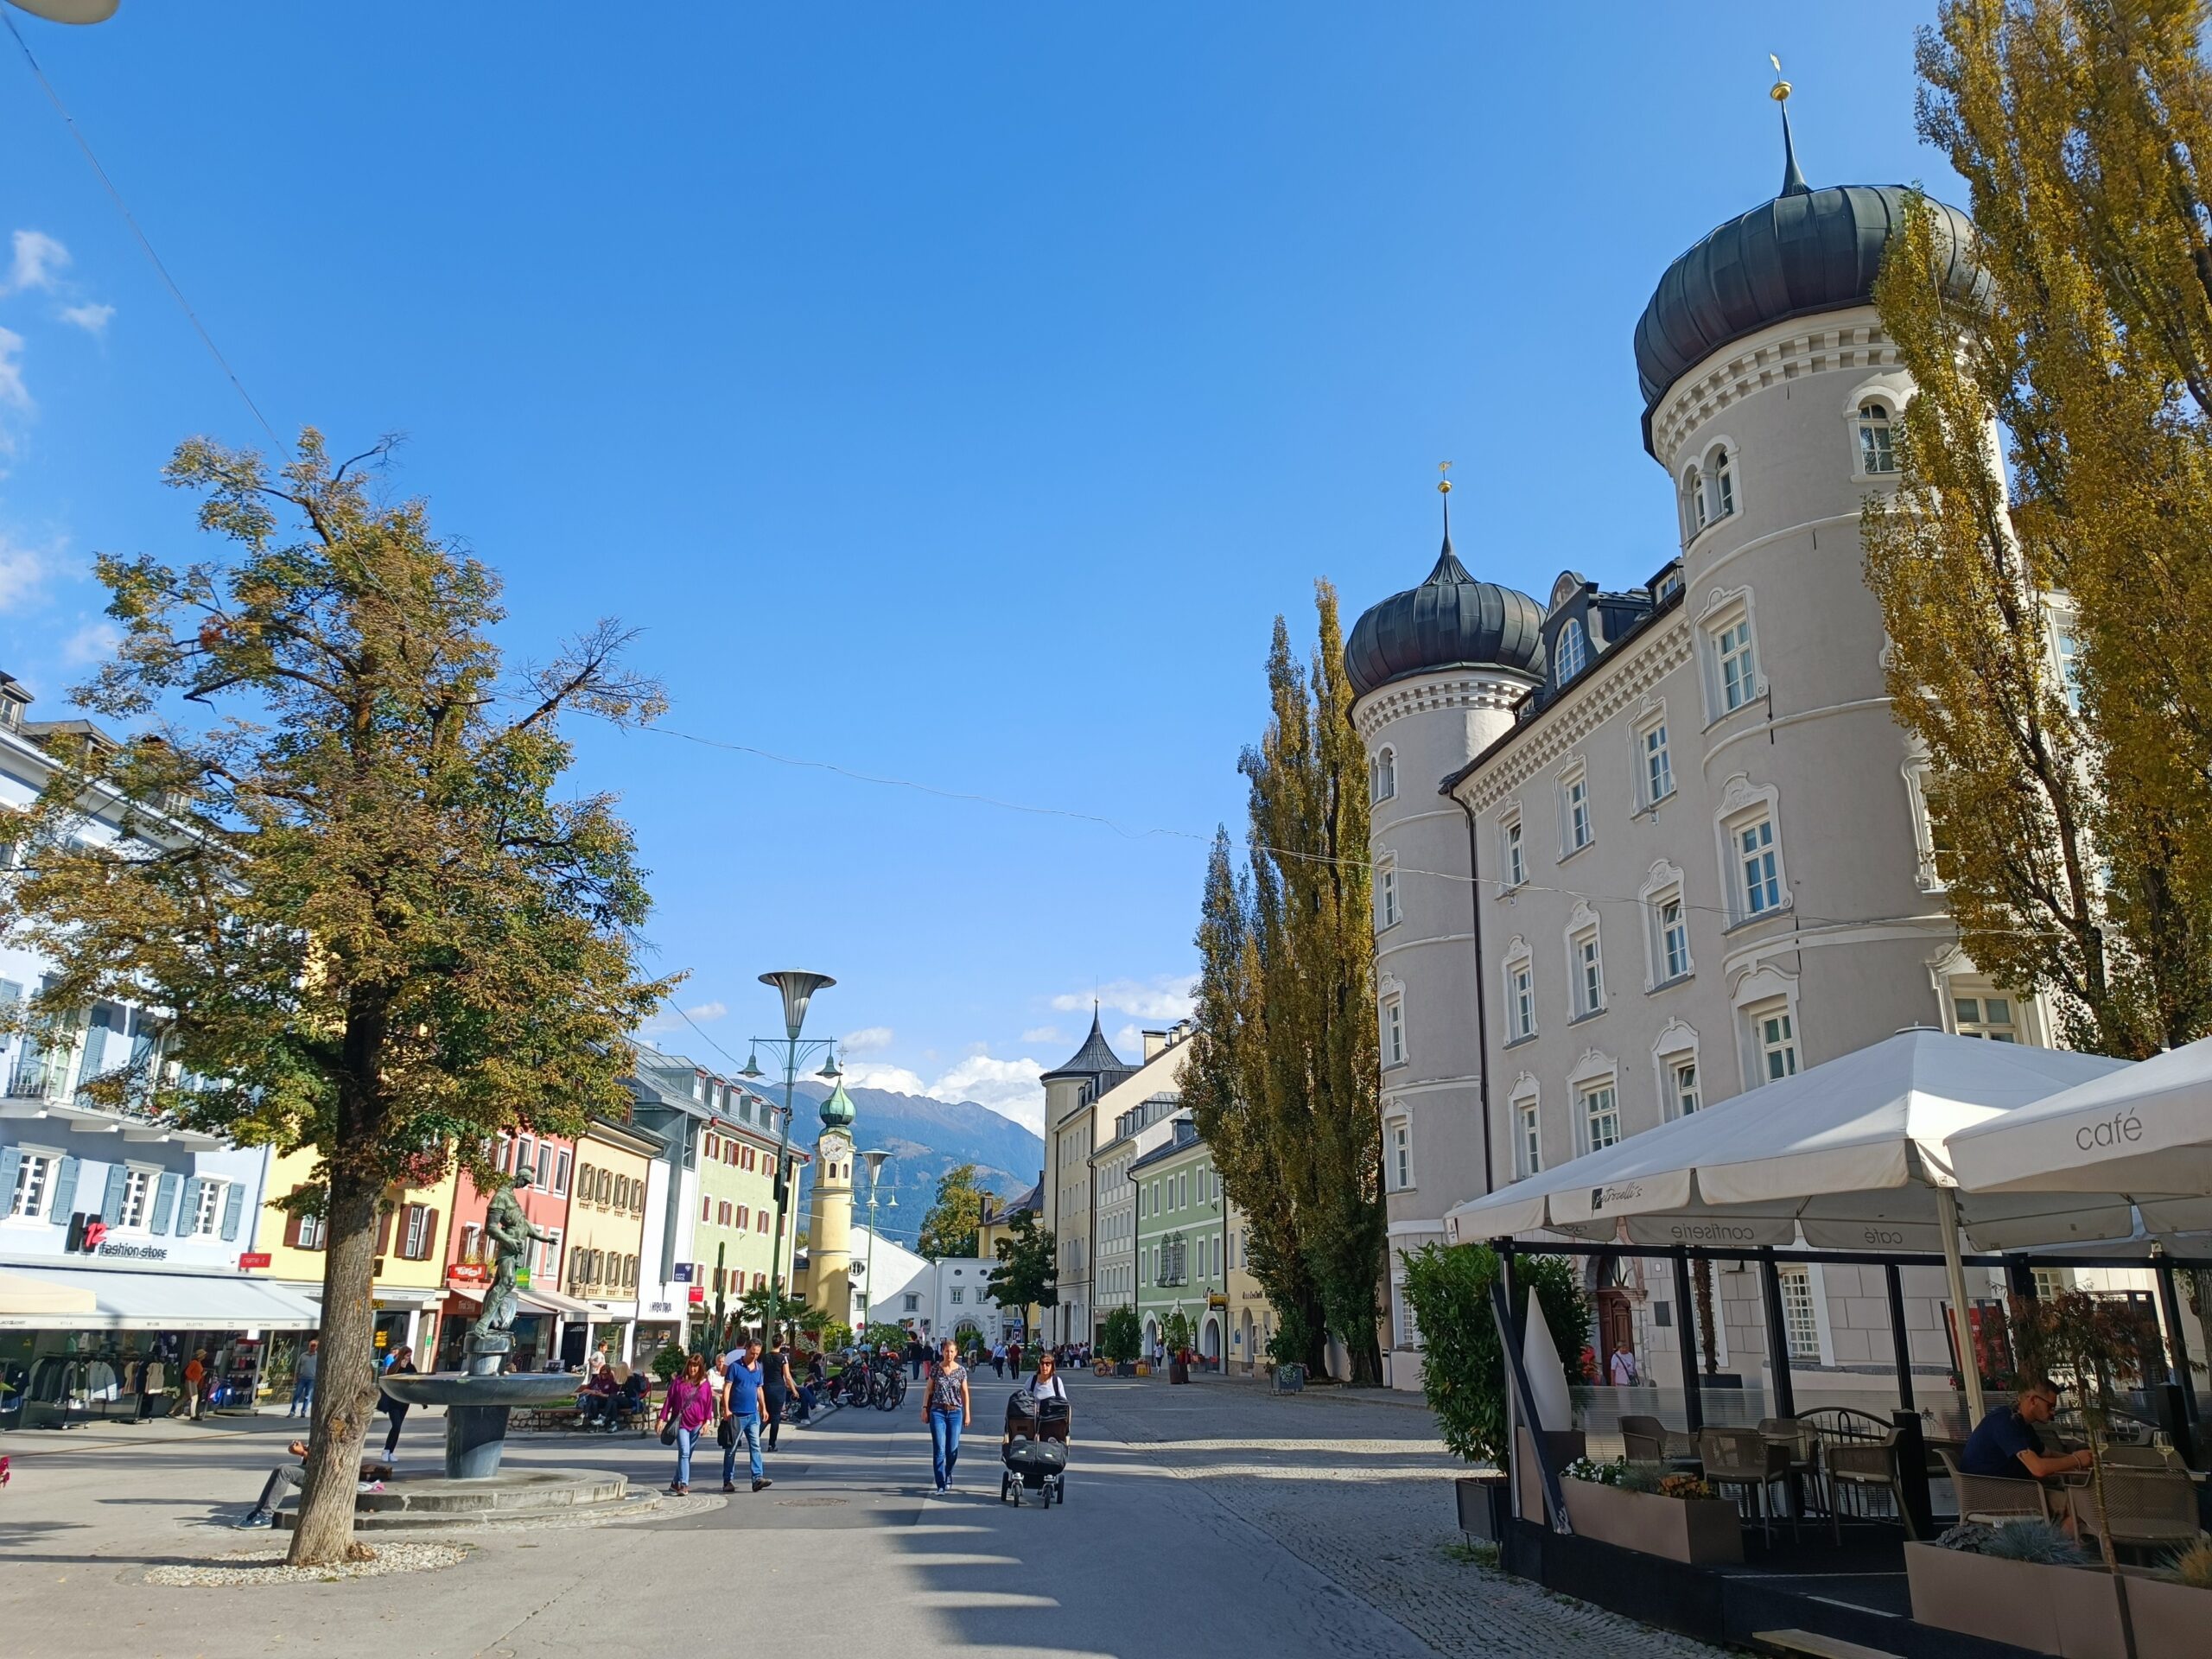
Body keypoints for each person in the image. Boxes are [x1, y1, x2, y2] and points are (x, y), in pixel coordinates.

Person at [1959, 1378, 2094, 1484]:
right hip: (1991, 1494)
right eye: (2050, 1406)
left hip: (2013, 1487)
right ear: (2034, 1400)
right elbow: (2039, 1468)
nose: (2053, 1413)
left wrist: (2085, 1461)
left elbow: (2048, 1455)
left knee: (2075, 1488)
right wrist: (2076, 1460)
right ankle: (2062, 1520)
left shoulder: (2022, 1424)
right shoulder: (2005, 1422)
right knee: (2079, 1505)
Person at [236, 1438, 393, 1529]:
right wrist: (303, 1450)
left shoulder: (340, 1432)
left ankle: (265, 1516)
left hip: (328, 1479)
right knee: (281, 1468)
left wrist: (303, 1453)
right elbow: (317, 1454)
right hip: (317, 1473)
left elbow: (332, 1462)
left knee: (285, 1471)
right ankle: (259, 1512)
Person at [659, 1353, 716, 1497]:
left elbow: (708, 1405)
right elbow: (669, 1401)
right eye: (691, 1365)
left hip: (697, 1424)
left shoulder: (705, 1384)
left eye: (696, 1366)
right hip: (682, 1423)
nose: (693, 1369)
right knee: (684, 1452)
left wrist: (707, 1422)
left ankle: (675, 1482)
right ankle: (684, 1484)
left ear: (700, 1368)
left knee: (687, 1455)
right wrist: (662, 1418)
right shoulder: (678, 1382)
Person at [922, 1337, 972, 1496]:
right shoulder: (936, 1368)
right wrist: (924, 1408)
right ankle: (941, 1484)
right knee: (939, 1449)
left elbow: (965, 1393)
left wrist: (967, 1413)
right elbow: (929, 1389)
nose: (949, 1354)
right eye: (946, 1351)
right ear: (942, 1352)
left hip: (955, 1412)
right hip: (937, 1411)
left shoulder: (961, 1371)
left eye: (951, 1351)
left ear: (956, 1353)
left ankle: (948, 1471)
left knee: (952, 1450)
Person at [721, 1338, 772, 1492]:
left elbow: (759, 1389)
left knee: (756, 1446)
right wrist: (726, 1409)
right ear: (746, 1350)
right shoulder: (735, 1367)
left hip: (753, 1415)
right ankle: (727, 1480)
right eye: (752, 1353)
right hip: (736, 1415)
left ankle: (757, 1478)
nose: (754, 1356)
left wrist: (763, 1408)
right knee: (732, 1448)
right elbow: (727, 1388)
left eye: (757, 1354)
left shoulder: (759, 1367)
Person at [378, 1345, 418, 1458]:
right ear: (402, 1355)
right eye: (407, 1356)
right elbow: (391, 1379)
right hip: (394, 1400)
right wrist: (401, 1368)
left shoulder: (411, 1367)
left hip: (404, 1401)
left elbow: (414, 1381)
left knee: (399, 1426)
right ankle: (386, 1450)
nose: (408, 1358)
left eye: (410, 1356)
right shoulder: (394, 1366)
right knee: (396, 1425)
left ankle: (391, 1451)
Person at [762, 1344, 801, 1451]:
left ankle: (755, 1437)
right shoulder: (782, 1358)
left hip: (766, 1386)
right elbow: (787, 1376)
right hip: (778, 1388)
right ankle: (772, 1444)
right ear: (781, 1343)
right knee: (775, 1416)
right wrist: (794, 1390)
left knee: (766, 1414)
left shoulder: (765, 1357)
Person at [289, 1339, 319, 1418]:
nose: (312, 1347)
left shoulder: (318, 1356)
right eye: (311, 1345)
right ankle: (292, 1411)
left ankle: (303, 1412)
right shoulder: (303, 1355)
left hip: (312, 1379)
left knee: (307, 1396)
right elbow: (298, 1366)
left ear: (316, 1347)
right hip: (302, 1377)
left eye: (314, 1346)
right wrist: (296, 1376)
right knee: (297, 1395)